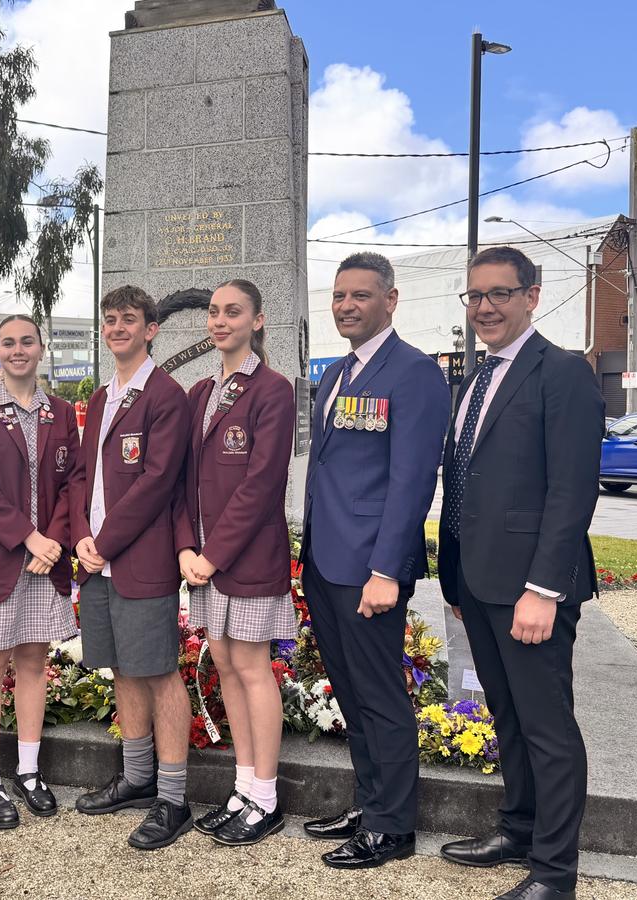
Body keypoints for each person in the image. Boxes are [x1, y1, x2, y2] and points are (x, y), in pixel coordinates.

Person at [437, 247, 604, 900]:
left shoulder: (561, 372)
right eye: (475, 296)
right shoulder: (476, 379)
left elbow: (571, 492)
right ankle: (519, 830)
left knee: (547, 730)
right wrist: (455, 578)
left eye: (499, 294)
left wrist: (543, 589)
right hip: (477, 583)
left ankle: (555, 875)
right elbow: (466, 481)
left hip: (531, 589)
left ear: (532, 296)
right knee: (507, 718)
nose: (484, 308)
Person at [300, 252, 449, 869]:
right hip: (325, 561)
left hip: (370, 569)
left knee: (381, 696)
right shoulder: (337, 372)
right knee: (352, 692)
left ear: (391, 300)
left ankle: (393, 828)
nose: (346, 306)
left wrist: (387, 570)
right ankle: (370, 804)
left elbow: (412, 482)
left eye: (360, 295)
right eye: (339, 296)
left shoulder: (414, 373)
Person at [173, 279, 296, 847]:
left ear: (257, 320)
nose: (220, 321)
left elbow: (262, 484)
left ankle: (266, 797)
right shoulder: (200, 392)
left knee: (251, 668)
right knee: (224, 666)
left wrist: (212, 556)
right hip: (203, 559)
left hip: (245, 559)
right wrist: (185, 549)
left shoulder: (272, 389)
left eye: (233, 312)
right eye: (214, 312)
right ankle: (244, 786)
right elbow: (183, 483)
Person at [71, 285, 193, 851]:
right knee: (122, 668)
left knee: (159, 672)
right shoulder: (101, 398)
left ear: (151, 329)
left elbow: (157, 482)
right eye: (110, 320)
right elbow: (81, 477)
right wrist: (80, 535)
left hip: (139, 560)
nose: (117, 328)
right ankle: (138, 778)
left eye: (128, 319)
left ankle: (173, 798)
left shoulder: (166, 395)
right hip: (97, 560)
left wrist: (105, 541)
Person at [0, 314, 80, 829]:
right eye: (8, 343)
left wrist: (54, 541)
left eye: (27, 341)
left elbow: (74, 483)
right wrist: (30, 537)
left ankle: (28, 770)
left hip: (45, 562)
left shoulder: (61, 412)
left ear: (41, 348)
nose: (18, 349)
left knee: (32, 663)